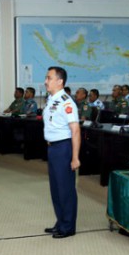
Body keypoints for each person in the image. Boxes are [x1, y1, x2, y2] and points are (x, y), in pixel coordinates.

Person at [42, 66, 80, 239]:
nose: (46, 81)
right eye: (46, 78)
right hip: (52, 148)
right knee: (56, 189)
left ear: (60, 81)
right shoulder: (52, 99)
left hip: (63, 148)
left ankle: (68, 227)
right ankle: (61, 222)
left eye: (49, 78)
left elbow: (75, 130)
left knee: (65, 189)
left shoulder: (66, 102)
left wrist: (75, 157)